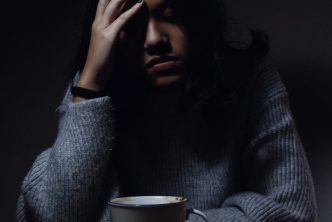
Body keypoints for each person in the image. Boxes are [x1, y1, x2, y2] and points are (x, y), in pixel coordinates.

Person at [17, 0, 317, 221]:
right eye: (131, 26)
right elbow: (56, 214)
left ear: (197, 17)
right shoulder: (93, 92)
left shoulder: (251, 81)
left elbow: (293, 212)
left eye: (170, 16)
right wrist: (90, 84)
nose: (154, 40)